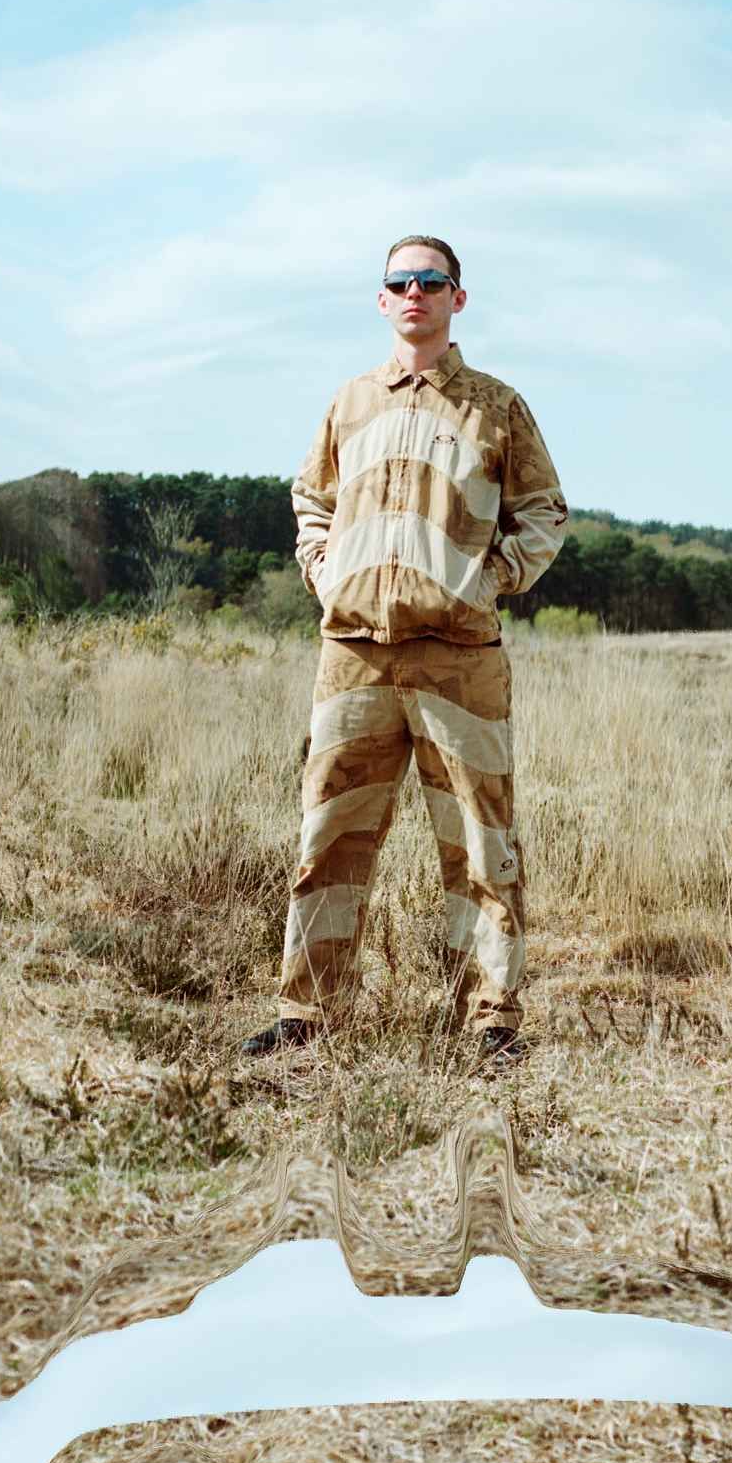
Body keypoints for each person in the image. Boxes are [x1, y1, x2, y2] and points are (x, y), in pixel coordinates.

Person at [240, 236, 568, 1069]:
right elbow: (311, 501)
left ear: (459, 298)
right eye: (401, 282)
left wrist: (486, 582)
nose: (415, 292)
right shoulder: (349, 404)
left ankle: (490, 1023)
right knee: (329, 836)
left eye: (432, 281)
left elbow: (544, 511)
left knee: (481, 843)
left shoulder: (496, 407)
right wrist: (324, 569)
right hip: (353, 653)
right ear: (382, 300)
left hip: (457, 653)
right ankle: (307, 1015)